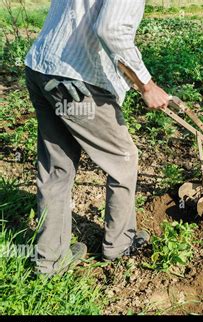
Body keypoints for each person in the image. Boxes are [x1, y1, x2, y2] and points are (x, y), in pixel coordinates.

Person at [24, 0, 168, 275]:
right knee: (123, 160)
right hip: (77, 80)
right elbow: (111, 29)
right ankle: (120, 245)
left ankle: (50, 261)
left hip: (42, 67)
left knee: (57, 168)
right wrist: (146, 86)